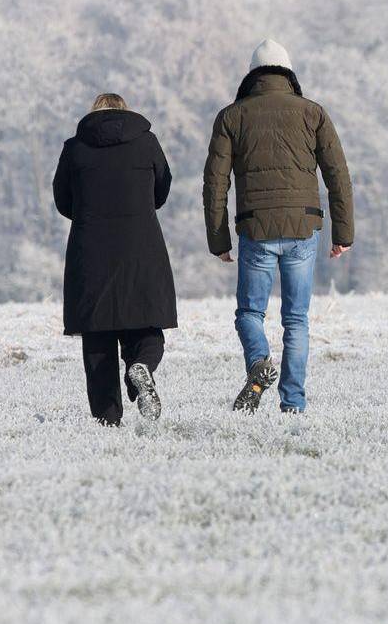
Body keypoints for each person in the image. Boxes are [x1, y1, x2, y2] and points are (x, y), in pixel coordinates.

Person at [203, 40, 353, 413]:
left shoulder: (231, 116)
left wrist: (219, 239)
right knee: (296, 320)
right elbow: (338, 175)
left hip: (256, 228)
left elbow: (215, 183)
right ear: (288, 74)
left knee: (250, 314)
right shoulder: (313, 113)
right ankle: (294, 404)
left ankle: (259, 362)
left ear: (252, 76)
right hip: (303, 226)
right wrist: (343, 235)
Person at [53, 93, 178, 425]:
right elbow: (162, 188)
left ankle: (107, 421)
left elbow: (63, 200)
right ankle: (142, 366)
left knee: (98, 338)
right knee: (147, 325)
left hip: (90, 253)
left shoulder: (75, 148)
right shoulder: (146, 142)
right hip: (141, 249)